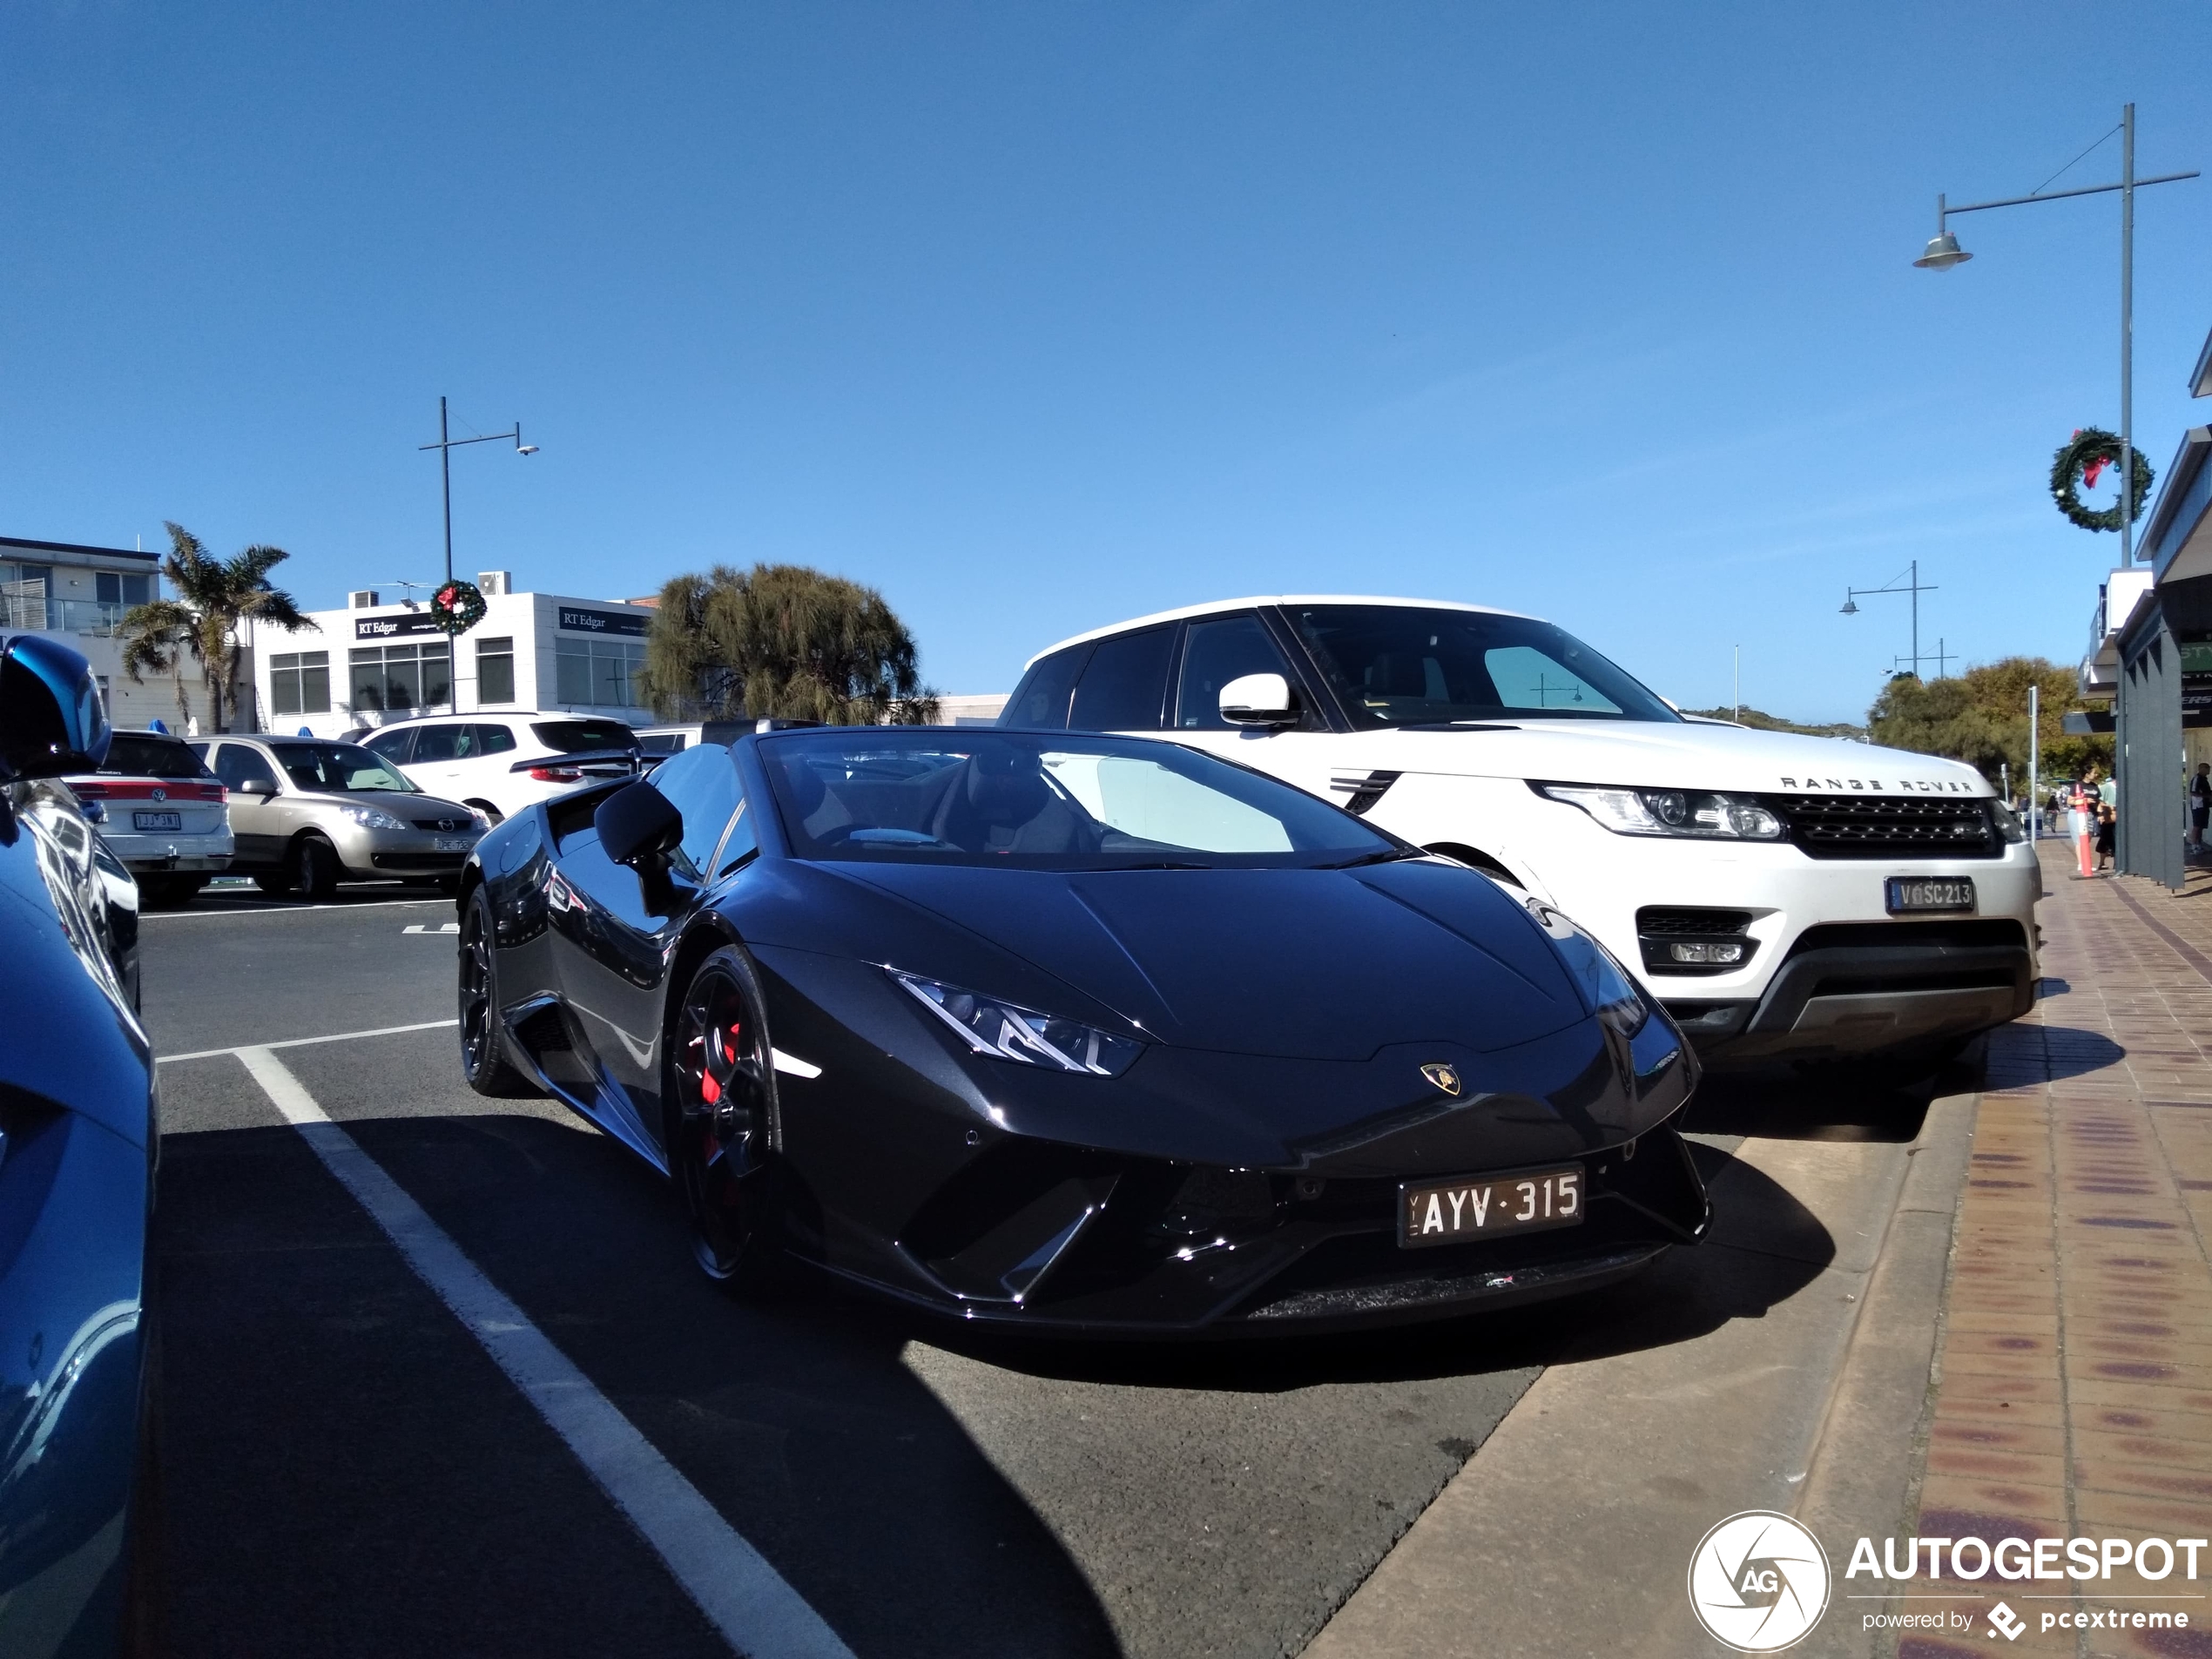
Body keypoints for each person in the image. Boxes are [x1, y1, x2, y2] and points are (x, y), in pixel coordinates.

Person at [2191, 762, 2210, 856]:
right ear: (2202, 769)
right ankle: (2194, 846)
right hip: (2198, 806)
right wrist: (2206, 796)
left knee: (2201, 827)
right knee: (2197, 826)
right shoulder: (2197, 779)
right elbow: (2193, 792)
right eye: (2207, 768)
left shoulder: (2204, 780)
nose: (2209, 770)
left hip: (2205, 806)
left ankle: (2199, 844)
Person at [2096, 796, 2117, 872]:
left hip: (2114, 821)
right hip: (2107, 821)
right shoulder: (2106, 788)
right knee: (2104, 842)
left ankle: (2116, 864)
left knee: (2114, 843)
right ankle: (2102, 863)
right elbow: (2100, 804)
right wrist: (2100, 814)